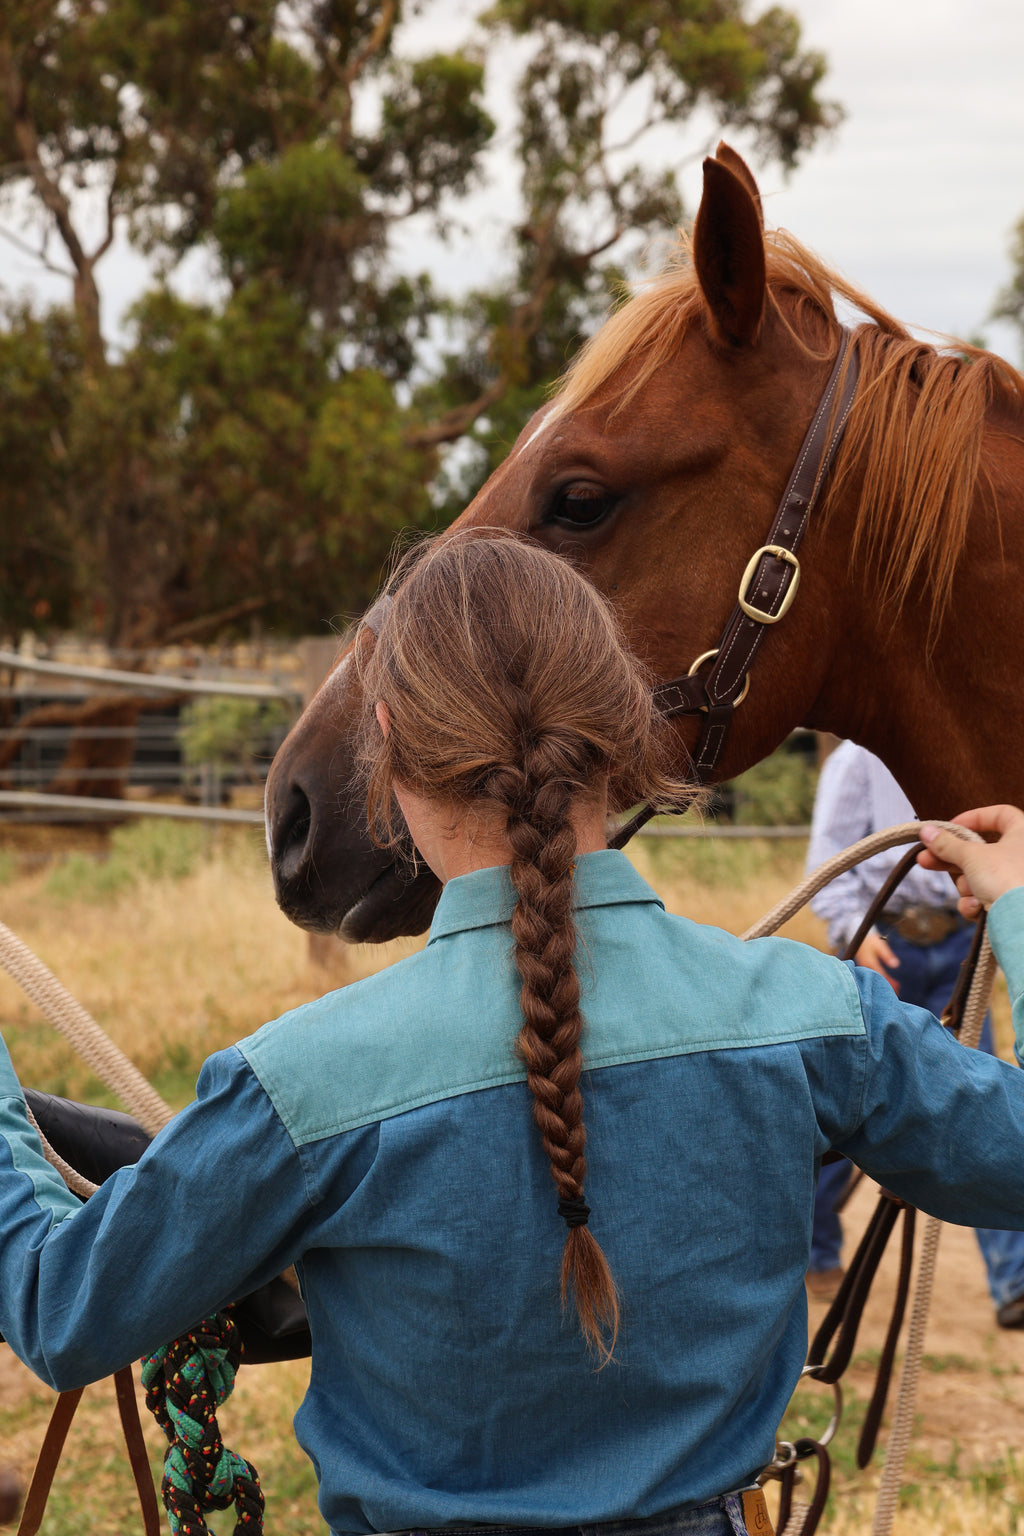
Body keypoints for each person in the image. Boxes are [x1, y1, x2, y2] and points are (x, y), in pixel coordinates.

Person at [5, 534, 1024, 1536]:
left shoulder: (298, 1085)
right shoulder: (816, 1016)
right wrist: (1017, 909)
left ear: (389, 738)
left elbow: (62, 1311)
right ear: (623, 724)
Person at [805, 740, 1024, 1325]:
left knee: (981, 1091)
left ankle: (1014, 1279)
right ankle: (819, 1244)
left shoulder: (959, 740)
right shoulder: (855, 763)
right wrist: (856, 928)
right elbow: (830, 860)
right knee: (864, 1097)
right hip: (890, 944)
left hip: (959, 942)